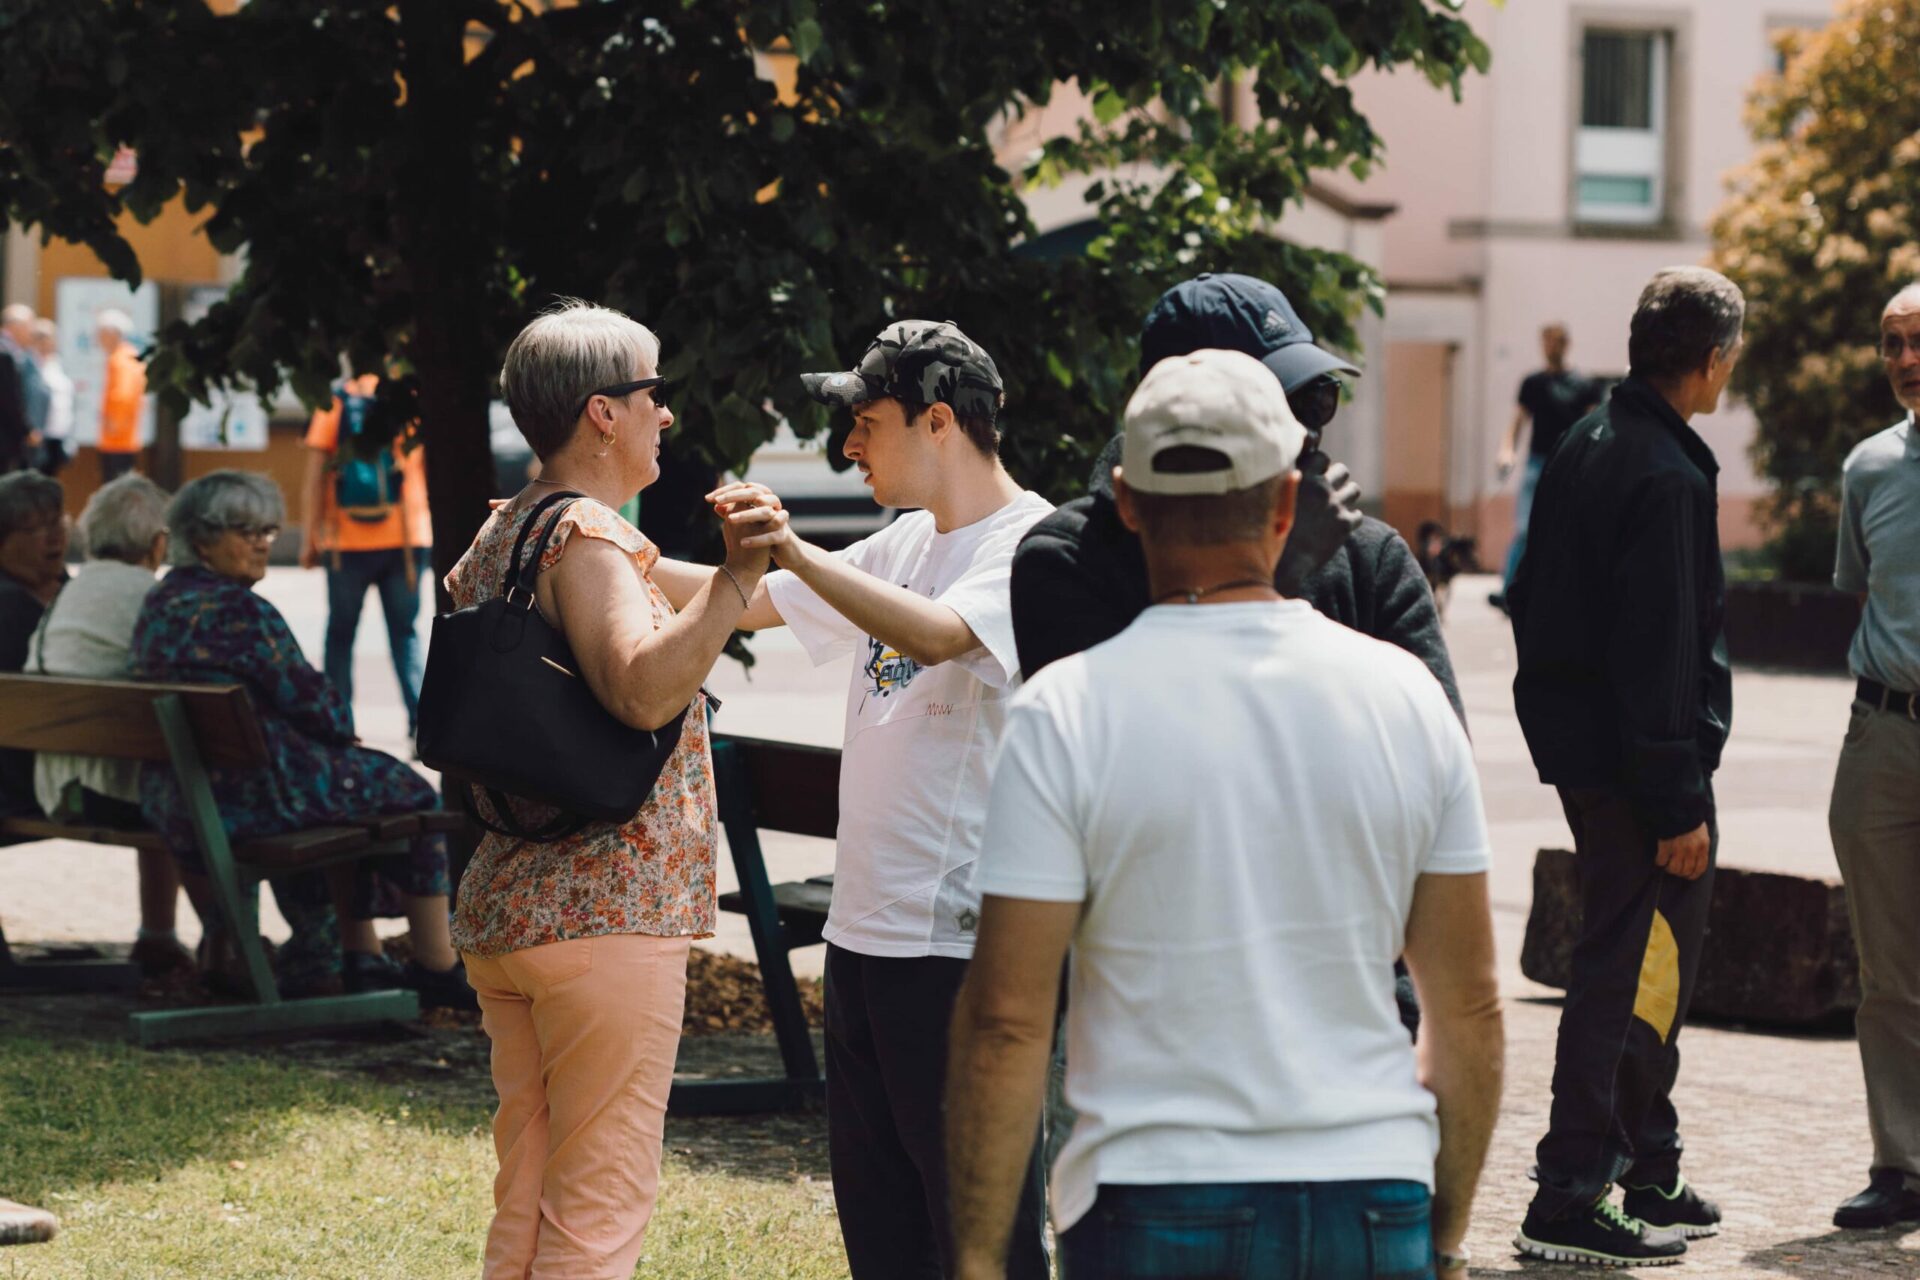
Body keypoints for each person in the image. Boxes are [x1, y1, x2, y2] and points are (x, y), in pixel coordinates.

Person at [946, 349, 1503, 1280]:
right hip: (1370, 1195)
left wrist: (972, 1263)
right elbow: (1473, 1006)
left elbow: (1006, 1019)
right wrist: (1441, 1236)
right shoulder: (1405, 695)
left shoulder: (1066, 712)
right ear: (1288, 503)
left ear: (1126, 503)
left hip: (1150, 1196)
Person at [684, 320, 1054, 1278]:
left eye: (866, 420)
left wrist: (797, 555)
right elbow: (744, 600)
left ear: (939, 421)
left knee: (978, 1234)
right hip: (861, 937)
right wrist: (591, 539)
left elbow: (939, 637)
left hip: (959, 950)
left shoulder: (1034, 544)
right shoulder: (904, 542)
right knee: (883, 1234)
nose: (848, 444)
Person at [447, 301, 784, 1279]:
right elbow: (639, 689)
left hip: (514, 904)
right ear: (603, 411)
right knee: (598, 1209)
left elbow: (750, 595)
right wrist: (728, 588)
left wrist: (761, 575)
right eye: (654, 393)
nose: (666, 416)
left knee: (532, 1194)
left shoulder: (512, 526)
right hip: (603, 913)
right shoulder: (589, 534)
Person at [1508, 266, 1743, 1265]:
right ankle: (1569, 1189)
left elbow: (1534, 596)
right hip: (1642, 774)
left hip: (1590, 755)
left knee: (1650, 966)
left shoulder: (1587, 440)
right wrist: (1678, 799)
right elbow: (1660, 651)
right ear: (1713, 360)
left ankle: (1646, 1162)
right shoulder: (1664, 470)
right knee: (1626, 970)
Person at [1011, 271, 1463, 717]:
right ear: (1176, 410)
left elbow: (1437, 749)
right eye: (1277, 403)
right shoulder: (1066, 556)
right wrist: (1271, 576)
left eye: (1317, 399)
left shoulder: (1369, 556)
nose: (1306, 432)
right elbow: (1111, 734)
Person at [131, 470, 467, 1006]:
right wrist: (331, 735)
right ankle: (438, 964)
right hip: (257, 797)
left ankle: (355, 954)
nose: (263, 541)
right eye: (245, 530)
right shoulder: (242, 611)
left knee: (352, 790)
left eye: (267, 528)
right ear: (200, 540)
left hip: (183, 801)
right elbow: (325, 709)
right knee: (408, 792)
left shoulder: (160, 604)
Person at [27, 474, 204, 979]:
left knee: (164, 774)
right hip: (118, 790)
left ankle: (158, 935)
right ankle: (225, 941)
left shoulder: (69, 594)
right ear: (157, 543)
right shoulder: (155, 598)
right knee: (196, 787)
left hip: (62, 786)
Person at [1827, 281, 1920, 1230]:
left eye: (1919, 341)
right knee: (1889, 969)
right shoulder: (1868, 468)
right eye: (1891, 344)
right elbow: (1863, 594)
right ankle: (1903, 1164)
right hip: (1885, 735)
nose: (1905, 360)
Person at [298, 372, 432, 740]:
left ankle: (339, 724)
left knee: (341, 635)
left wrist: (309, 539)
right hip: (406, 536)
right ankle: (421, 724)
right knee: (405, 633)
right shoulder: (409, 401)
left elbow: (314, 478)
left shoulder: (336, 402)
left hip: (345, 542)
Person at [1490, 324, 1603, 610]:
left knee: (1570, 528)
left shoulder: (1583, 385)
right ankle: (1509, 591)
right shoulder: (1534, 383)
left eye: (1556, 342)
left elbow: (1594, 426)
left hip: (1571, 466)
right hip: (1537, 463)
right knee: (1526, 528)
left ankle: (1569, 592)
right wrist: (1506, 450)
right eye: (1546, 342)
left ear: (1566, 345)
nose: (1551, 347)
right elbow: (1517, 421)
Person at [0, 470, 69, 815]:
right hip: (20, 784)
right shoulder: (9, 607)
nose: (56, 536)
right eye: (37, 528)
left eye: (59, 522)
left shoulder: (74, 593)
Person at [94, 310, 145, 482]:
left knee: (115, 488)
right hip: (124, 437)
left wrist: (113, 422)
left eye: (101, 333)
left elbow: (123, 394)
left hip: (117, 439)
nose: (98, 339)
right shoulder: (129, 356)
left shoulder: (120, 359)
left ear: (112, 333)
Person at [0, 305, 48, 475]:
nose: (32, 333)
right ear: (16, 327)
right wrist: (26, 430)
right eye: (30, 327)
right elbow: (9, 399)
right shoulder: (5, 353)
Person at [29, 319, 74, 476]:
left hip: (58, 433)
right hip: (38, 435)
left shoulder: (58, 363)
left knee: (51, 478)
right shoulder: (29, 363)